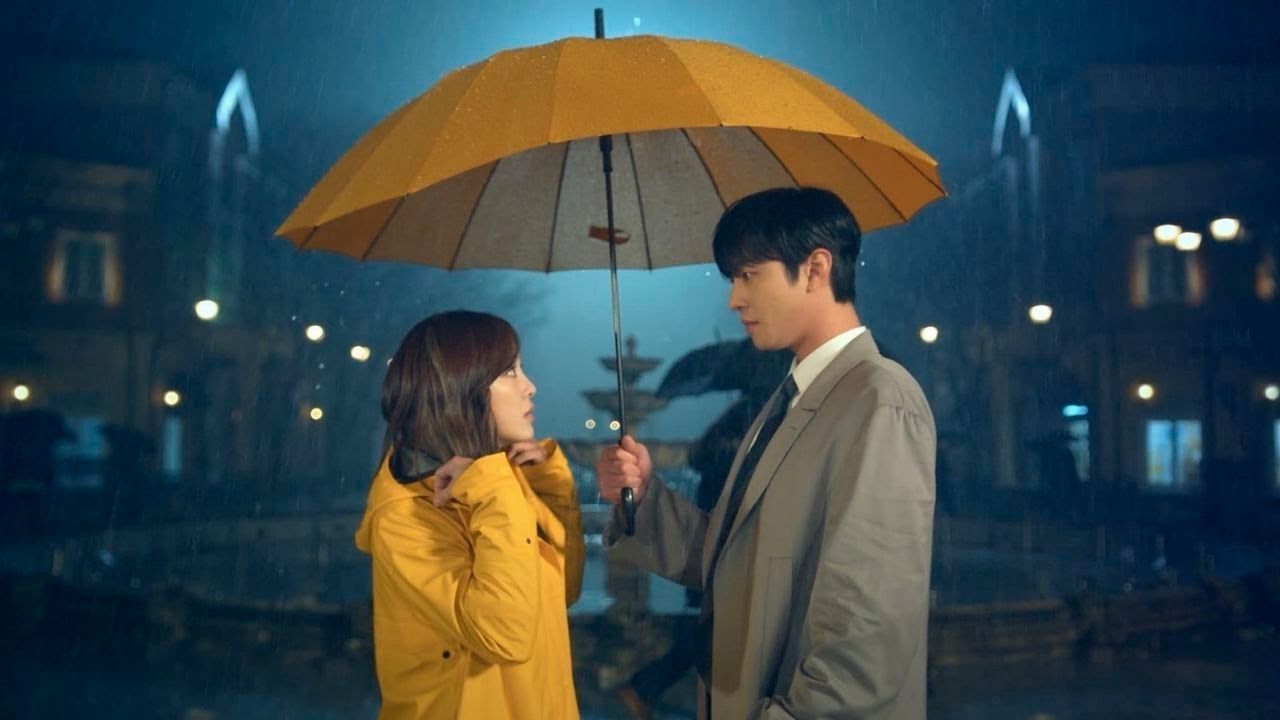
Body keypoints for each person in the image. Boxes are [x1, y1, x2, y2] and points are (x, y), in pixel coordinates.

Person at [597, 187, 937, 719]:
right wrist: (642, 497)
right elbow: (739, 558)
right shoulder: (789, 398)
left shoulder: (877, 399)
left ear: (816, 268)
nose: (734, 299)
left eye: (749, 275)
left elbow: (868, 622)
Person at [354, 310, 585, 719]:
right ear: (462, 389)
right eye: (510, 372)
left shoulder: (490, 484)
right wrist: (497, 490)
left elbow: (560, 591)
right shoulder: (406, 516)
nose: (530, 386)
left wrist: (550, 488)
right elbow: (504, 636)